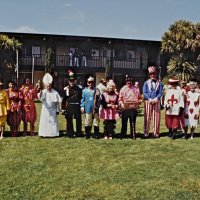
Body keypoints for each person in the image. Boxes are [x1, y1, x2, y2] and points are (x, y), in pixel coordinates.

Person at [118, 75, 142, 139]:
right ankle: (123, 135)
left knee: (133, 123)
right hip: (125, 109)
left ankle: (133, 135)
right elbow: (119, 99)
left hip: (133, 108)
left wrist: (139, 102)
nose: (129, 82)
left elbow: (139, 98)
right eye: (128, 81)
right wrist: (121, 104)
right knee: (124, 123)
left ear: (132, 81)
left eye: (130, 81)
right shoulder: (123, 89)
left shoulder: (136, 89)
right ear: (126, 82)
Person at [38, 73, 61, 137]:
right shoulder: (43, 92)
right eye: (47, 86)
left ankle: (53, 134)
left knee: (53, 122)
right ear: (45, 86)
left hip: (53, 110)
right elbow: (41, 99)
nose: (48, 87)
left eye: (50, 86)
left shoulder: (55, 92)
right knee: (44, 122)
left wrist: (58, 110)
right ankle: (44, 134)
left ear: (51, 85)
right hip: (45, 110)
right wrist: (40, 94)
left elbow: (57, 102)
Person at [143, 66, 163, 138]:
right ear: (149, 75)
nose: (152, 75)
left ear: (156, 74)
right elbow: (144, 92)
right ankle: (146, 132)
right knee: (147, 117)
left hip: (156, 102)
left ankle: (155, 133)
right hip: (148, 102)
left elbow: (161, 92)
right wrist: (149, 99)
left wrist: (156, 99)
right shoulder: (146, 83)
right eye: (151, 74)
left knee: (156, 117)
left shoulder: (159, 83)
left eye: (154, 74)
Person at [62, 70, 82, 137]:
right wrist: (63, 109)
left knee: (78, 120)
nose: (72, 82)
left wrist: (82, 107)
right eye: (70, 81)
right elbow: (64, 100)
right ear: (68, 81)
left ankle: (78, 133)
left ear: (75, 81)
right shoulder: (66, 89)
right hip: (69, 106)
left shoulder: (79, 89)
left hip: (77, 106)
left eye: (73, 80)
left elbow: (81, 98)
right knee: (69, 120)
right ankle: (70, 133)